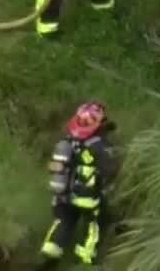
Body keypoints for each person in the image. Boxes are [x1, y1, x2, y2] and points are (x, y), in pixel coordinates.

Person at [36, 102, 115, 270]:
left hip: (64, 196)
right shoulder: (99, 145)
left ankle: (49, 257)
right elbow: (110, 169)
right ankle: (85, 260)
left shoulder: (68, 142)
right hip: (88, 199)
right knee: (93, 226)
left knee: (62, 222)